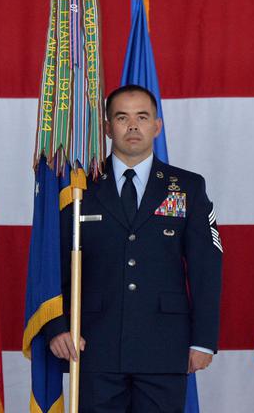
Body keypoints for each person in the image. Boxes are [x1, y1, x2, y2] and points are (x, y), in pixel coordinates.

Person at [44, 84, 223, 412]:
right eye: (122, 117)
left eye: (142, 117)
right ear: (108, 128)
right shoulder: (78, 187)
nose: (133, 126)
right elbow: (53, 262)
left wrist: (203, 340)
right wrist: (57, 327)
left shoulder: (187, 187)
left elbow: (206, 269)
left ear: (157, 126)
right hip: (93, 343)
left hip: (164, 345)